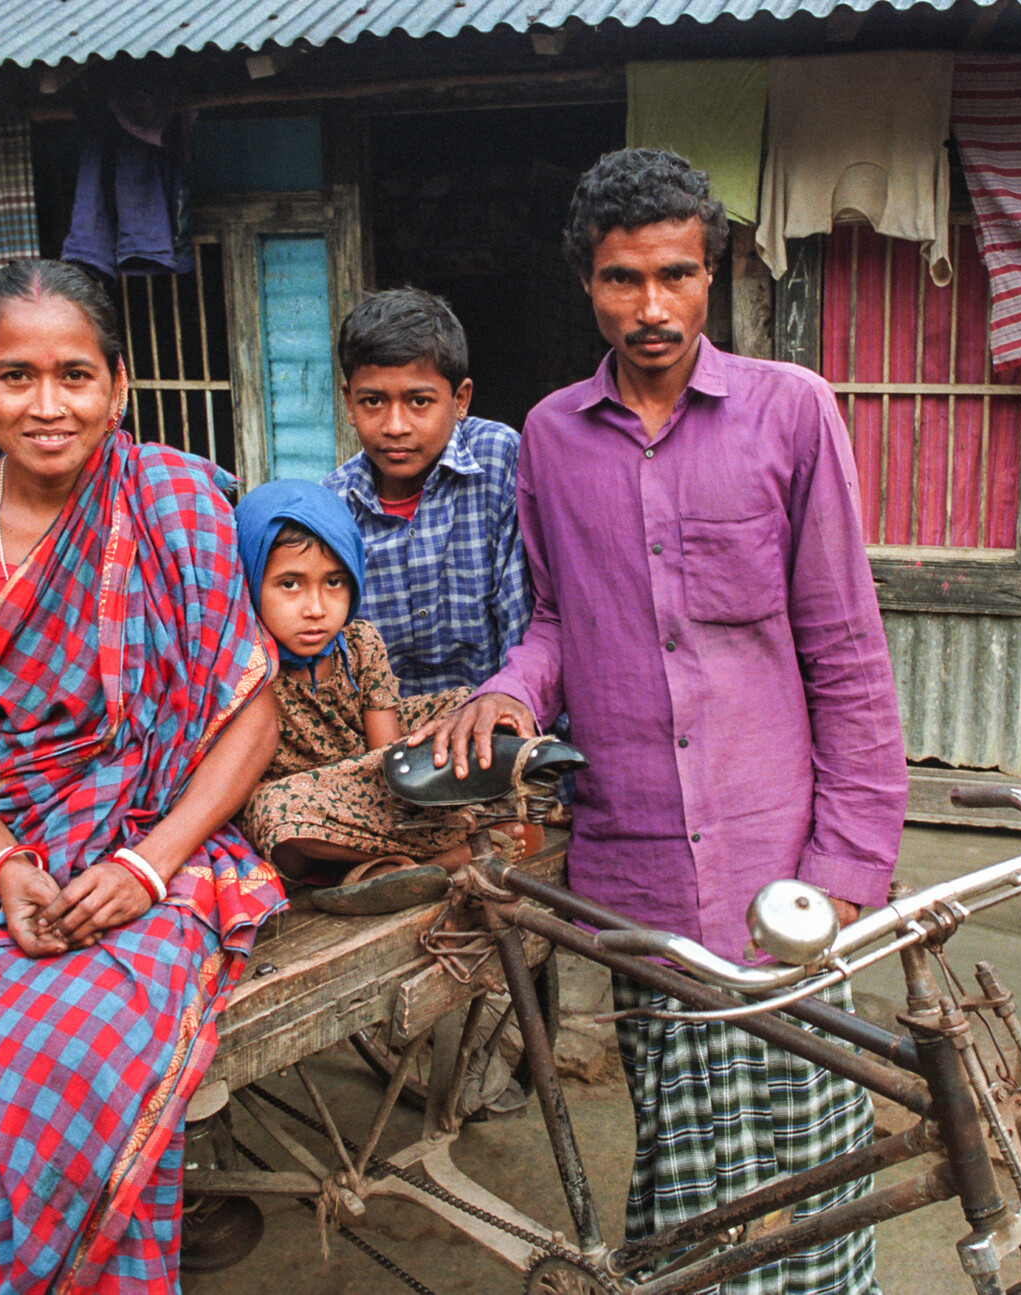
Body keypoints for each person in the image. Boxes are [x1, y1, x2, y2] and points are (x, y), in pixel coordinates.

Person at [415, 148, 908, 1294]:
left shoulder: (790, 411)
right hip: (637, 861)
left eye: (675, 275)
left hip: (779, 860)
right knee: (685, 1159)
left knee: (814, 1149)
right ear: (586, 285)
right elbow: (553, 621)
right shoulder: (550, 435)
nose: (651, 307)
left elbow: (845, 649)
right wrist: (508, 689)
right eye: (621, 279)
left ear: (711, 273)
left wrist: (846, 862)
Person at [0, 259, 286, 1293]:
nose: (47, 403)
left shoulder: (174, 500)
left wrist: (152, 867)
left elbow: (252, 714)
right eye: (14, 376)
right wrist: (3, 866)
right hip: (14, 836)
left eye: (74, 374)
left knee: (97, 1034)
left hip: (166, 832)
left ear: (117, 383)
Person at [231, 479, 479, 914]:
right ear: (250, 579)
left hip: (376, 781)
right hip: (312, 807)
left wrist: (397, 783)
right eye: (290, 584)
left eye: (334, 582)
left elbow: (386, 757)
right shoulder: (246, 663)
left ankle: (389, 869)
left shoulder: (361, 642)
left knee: (467, 705)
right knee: (272, 813)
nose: (316, 608)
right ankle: (439, 856)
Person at [323, 287, 531, 696]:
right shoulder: (333, 506)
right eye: (373, 402)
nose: (395, 425)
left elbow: (520, 616)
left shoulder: (499, 461)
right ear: (349, 403)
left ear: (460, 399)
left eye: (419, 401)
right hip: (383, 738)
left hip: (492, 722)